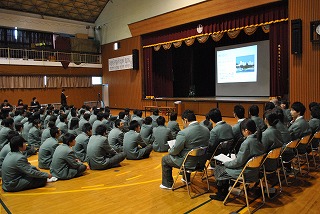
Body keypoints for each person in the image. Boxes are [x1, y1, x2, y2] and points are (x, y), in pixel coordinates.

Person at [209, 119, 264, 201]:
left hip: (246, 172)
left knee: (219, 168)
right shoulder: (258, 139)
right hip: (255, 171)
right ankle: (226, 189)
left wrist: (226, 163)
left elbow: (238, 162)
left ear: (246, 130)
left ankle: (222, 194)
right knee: (224, 167)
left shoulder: (247, 142)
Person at [160, 110, 210, 190]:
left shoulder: (183, 133)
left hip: (188, 163)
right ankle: (186, 178)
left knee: (165, 159)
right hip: (201, 162)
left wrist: (170, 150)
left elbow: (175, 150)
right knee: (190, 152)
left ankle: (167, 184)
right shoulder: (206, 130)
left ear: (185, 120)